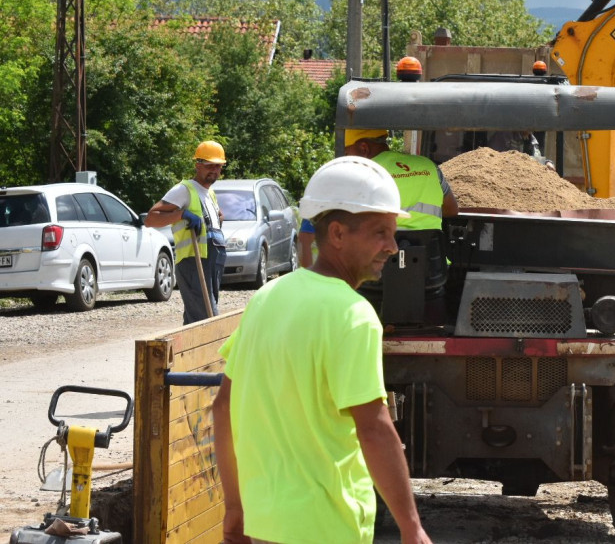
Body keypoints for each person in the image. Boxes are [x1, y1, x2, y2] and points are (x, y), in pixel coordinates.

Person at [213, 156, 431, 544]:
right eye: (380, 232)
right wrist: (411, 527)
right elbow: (374, 428)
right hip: (326, 527)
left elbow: (223, 406)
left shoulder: (267, 297)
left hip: (264, 525)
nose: (392, 246)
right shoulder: (353, 315)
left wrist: (235, 507)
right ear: (337, 233)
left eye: (393, 232)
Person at [146, 140, 227, 324]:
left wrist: (217, 218)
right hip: (193, 262)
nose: (214, 170)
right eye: (209, 165)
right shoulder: (184, 190)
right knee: (207, 317)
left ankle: (187, 352)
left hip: (211, 262)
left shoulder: (210, 193)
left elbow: (217, 217)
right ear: (198, 165)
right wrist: (181, 214)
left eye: (218, 166)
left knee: (198, 317)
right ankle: (210, 353)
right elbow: (151, 218)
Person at [344, 129, 459, 228]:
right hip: (432, 251)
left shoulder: (361, 174)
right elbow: (452, 210)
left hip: (384, 250)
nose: (345, 160)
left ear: (364, 148)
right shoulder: (429, 166)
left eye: (347, 153)